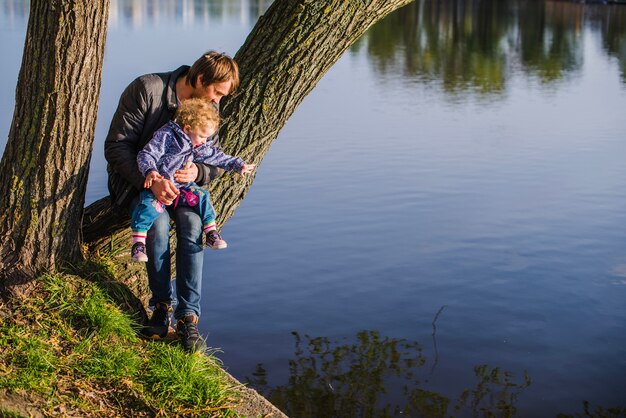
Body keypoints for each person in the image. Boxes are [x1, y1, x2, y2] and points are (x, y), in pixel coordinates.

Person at [104, 51, 239, 352]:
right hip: (135, 182)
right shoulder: (147, 89)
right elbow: (116, 147)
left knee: (193, 224)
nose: (218, 100)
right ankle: (161, 307)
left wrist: (199, 170)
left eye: (222, 96)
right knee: (158, 223)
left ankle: (188, 317)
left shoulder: (208, 107)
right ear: (201, 78)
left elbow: (212, 160)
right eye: (216, 92)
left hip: (182, 188)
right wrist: (150, 182)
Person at [130, 98, 254, 262]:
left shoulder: (197, 144)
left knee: (202, 196)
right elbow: (147, 154)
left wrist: (238, 165)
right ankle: (138, 244)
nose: (204, 141)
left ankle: (211, 232)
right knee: (147, 207)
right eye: (203, 136)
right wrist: (151, 171)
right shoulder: (167, 135)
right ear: (187, 128)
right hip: (160, 186)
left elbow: (216, 157)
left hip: (181, 187)